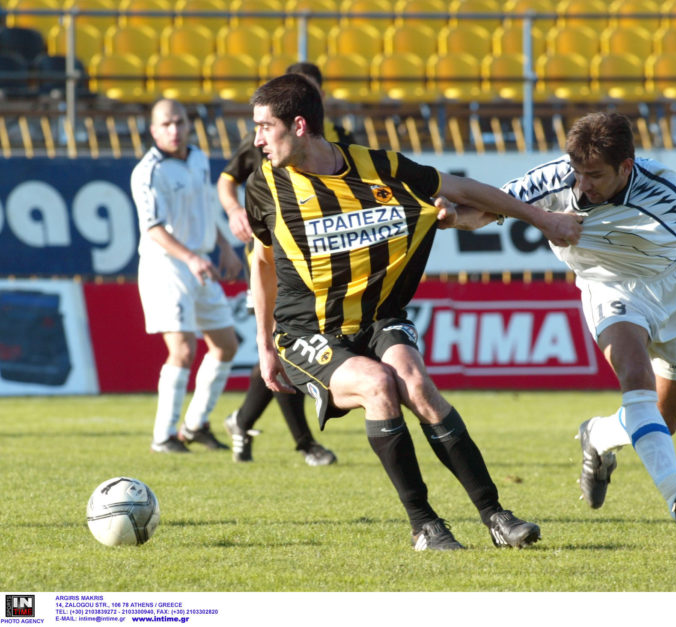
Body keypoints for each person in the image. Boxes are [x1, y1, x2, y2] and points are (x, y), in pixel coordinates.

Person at [243, 73, 583, 550]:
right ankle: (424, 525)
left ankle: (496, 517)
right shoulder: (264, 187)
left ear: (298, 126)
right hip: (308, 331)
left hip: (379, 315)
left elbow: (462, 190)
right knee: (378, 385)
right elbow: (262, 263)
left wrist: (543, 220)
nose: (257, 140)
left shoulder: (377, 166)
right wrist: (264, 345)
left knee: (417, 385)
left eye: (264, 127)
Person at [459, 112, 676, 542]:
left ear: (626, 167)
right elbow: (488, 208)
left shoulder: (664, 191)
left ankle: (598, 435)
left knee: (664, 421)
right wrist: (452, 216)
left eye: (595, 175)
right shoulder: (555, 179)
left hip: (672, 289)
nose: (583, 184)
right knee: (636, 379)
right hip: (606, 287)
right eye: (578, 172)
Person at [216, 62, 348, 466]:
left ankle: (242, 421)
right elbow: (227, 179)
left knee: (286, 350)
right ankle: (305, 443)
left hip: (320, 261)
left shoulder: (339, 139)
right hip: (274, 259)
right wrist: (234, 211)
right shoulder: (266, 134)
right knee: (283, 345)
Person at [131, 98, 241, 454]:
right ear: (154, 131)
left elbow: (205, 207)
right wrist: (191, 258)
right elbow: (153, 228)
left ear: (189, 124)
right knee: (182, 350)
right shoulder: (149, 172)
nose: (174, 130)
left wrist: (224, 245)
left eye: (179, 122)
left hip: (200, 261)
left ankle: (194, 425)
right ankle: (163, 436)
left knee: (226, 345)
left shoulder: (197, 158)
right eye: (166, 124)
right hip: (167, 265)